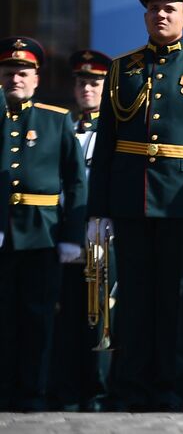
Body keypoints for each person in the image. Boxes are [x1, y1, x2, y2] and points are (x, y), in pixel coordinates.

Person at [86, 0, 183, 410]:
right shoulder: (121, 68)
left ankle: (172, 391)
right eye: (153, 8)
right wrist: (97, 210)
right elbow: (107, 143)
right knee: (134, 300)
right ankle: (132, 388)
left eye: (170, 8)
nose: (161, 14)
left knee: (178, 302)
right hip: (131, 201)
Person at [0, 37, 86, 410]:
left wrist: (71, 235)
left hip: (42, 232)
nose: (15, 78)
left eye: (23, 72)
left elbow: (75, 180)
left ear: (36, 78)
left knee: (37, 318)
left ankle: (33, 392)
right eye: (8, 72)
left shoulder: (56, 119)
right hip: (3, 235)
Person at [51, 49, 112, 411]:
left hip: (101, 233)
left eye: (95, 82)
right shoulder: (63, 127)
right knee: (67, 313)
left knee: (101, 316)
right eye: (81, 82)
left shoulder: (112, 130)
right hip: (66, 234)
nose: (87, 88)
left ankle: (99, 391)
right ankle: (66, 389)